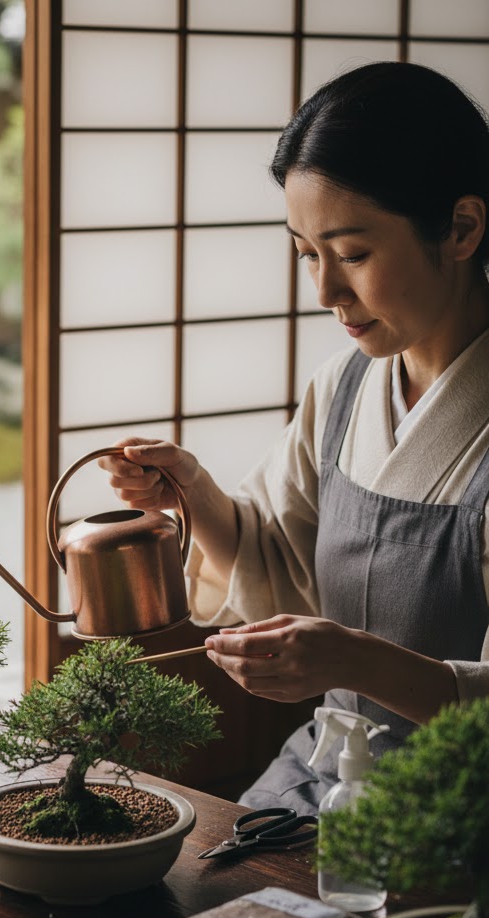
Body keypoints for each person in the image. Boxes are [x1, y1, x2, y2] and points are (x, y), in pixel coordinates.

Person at [99, 61, 489, 815]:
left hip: (462, 809)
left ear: (463, 228)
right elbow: (277, 559)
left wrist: (352, 660)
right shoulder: (344, 390)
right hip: (330, 770)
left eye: (353, 253)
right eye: (308, 253)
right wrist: (195, 491)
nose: (325, 292)